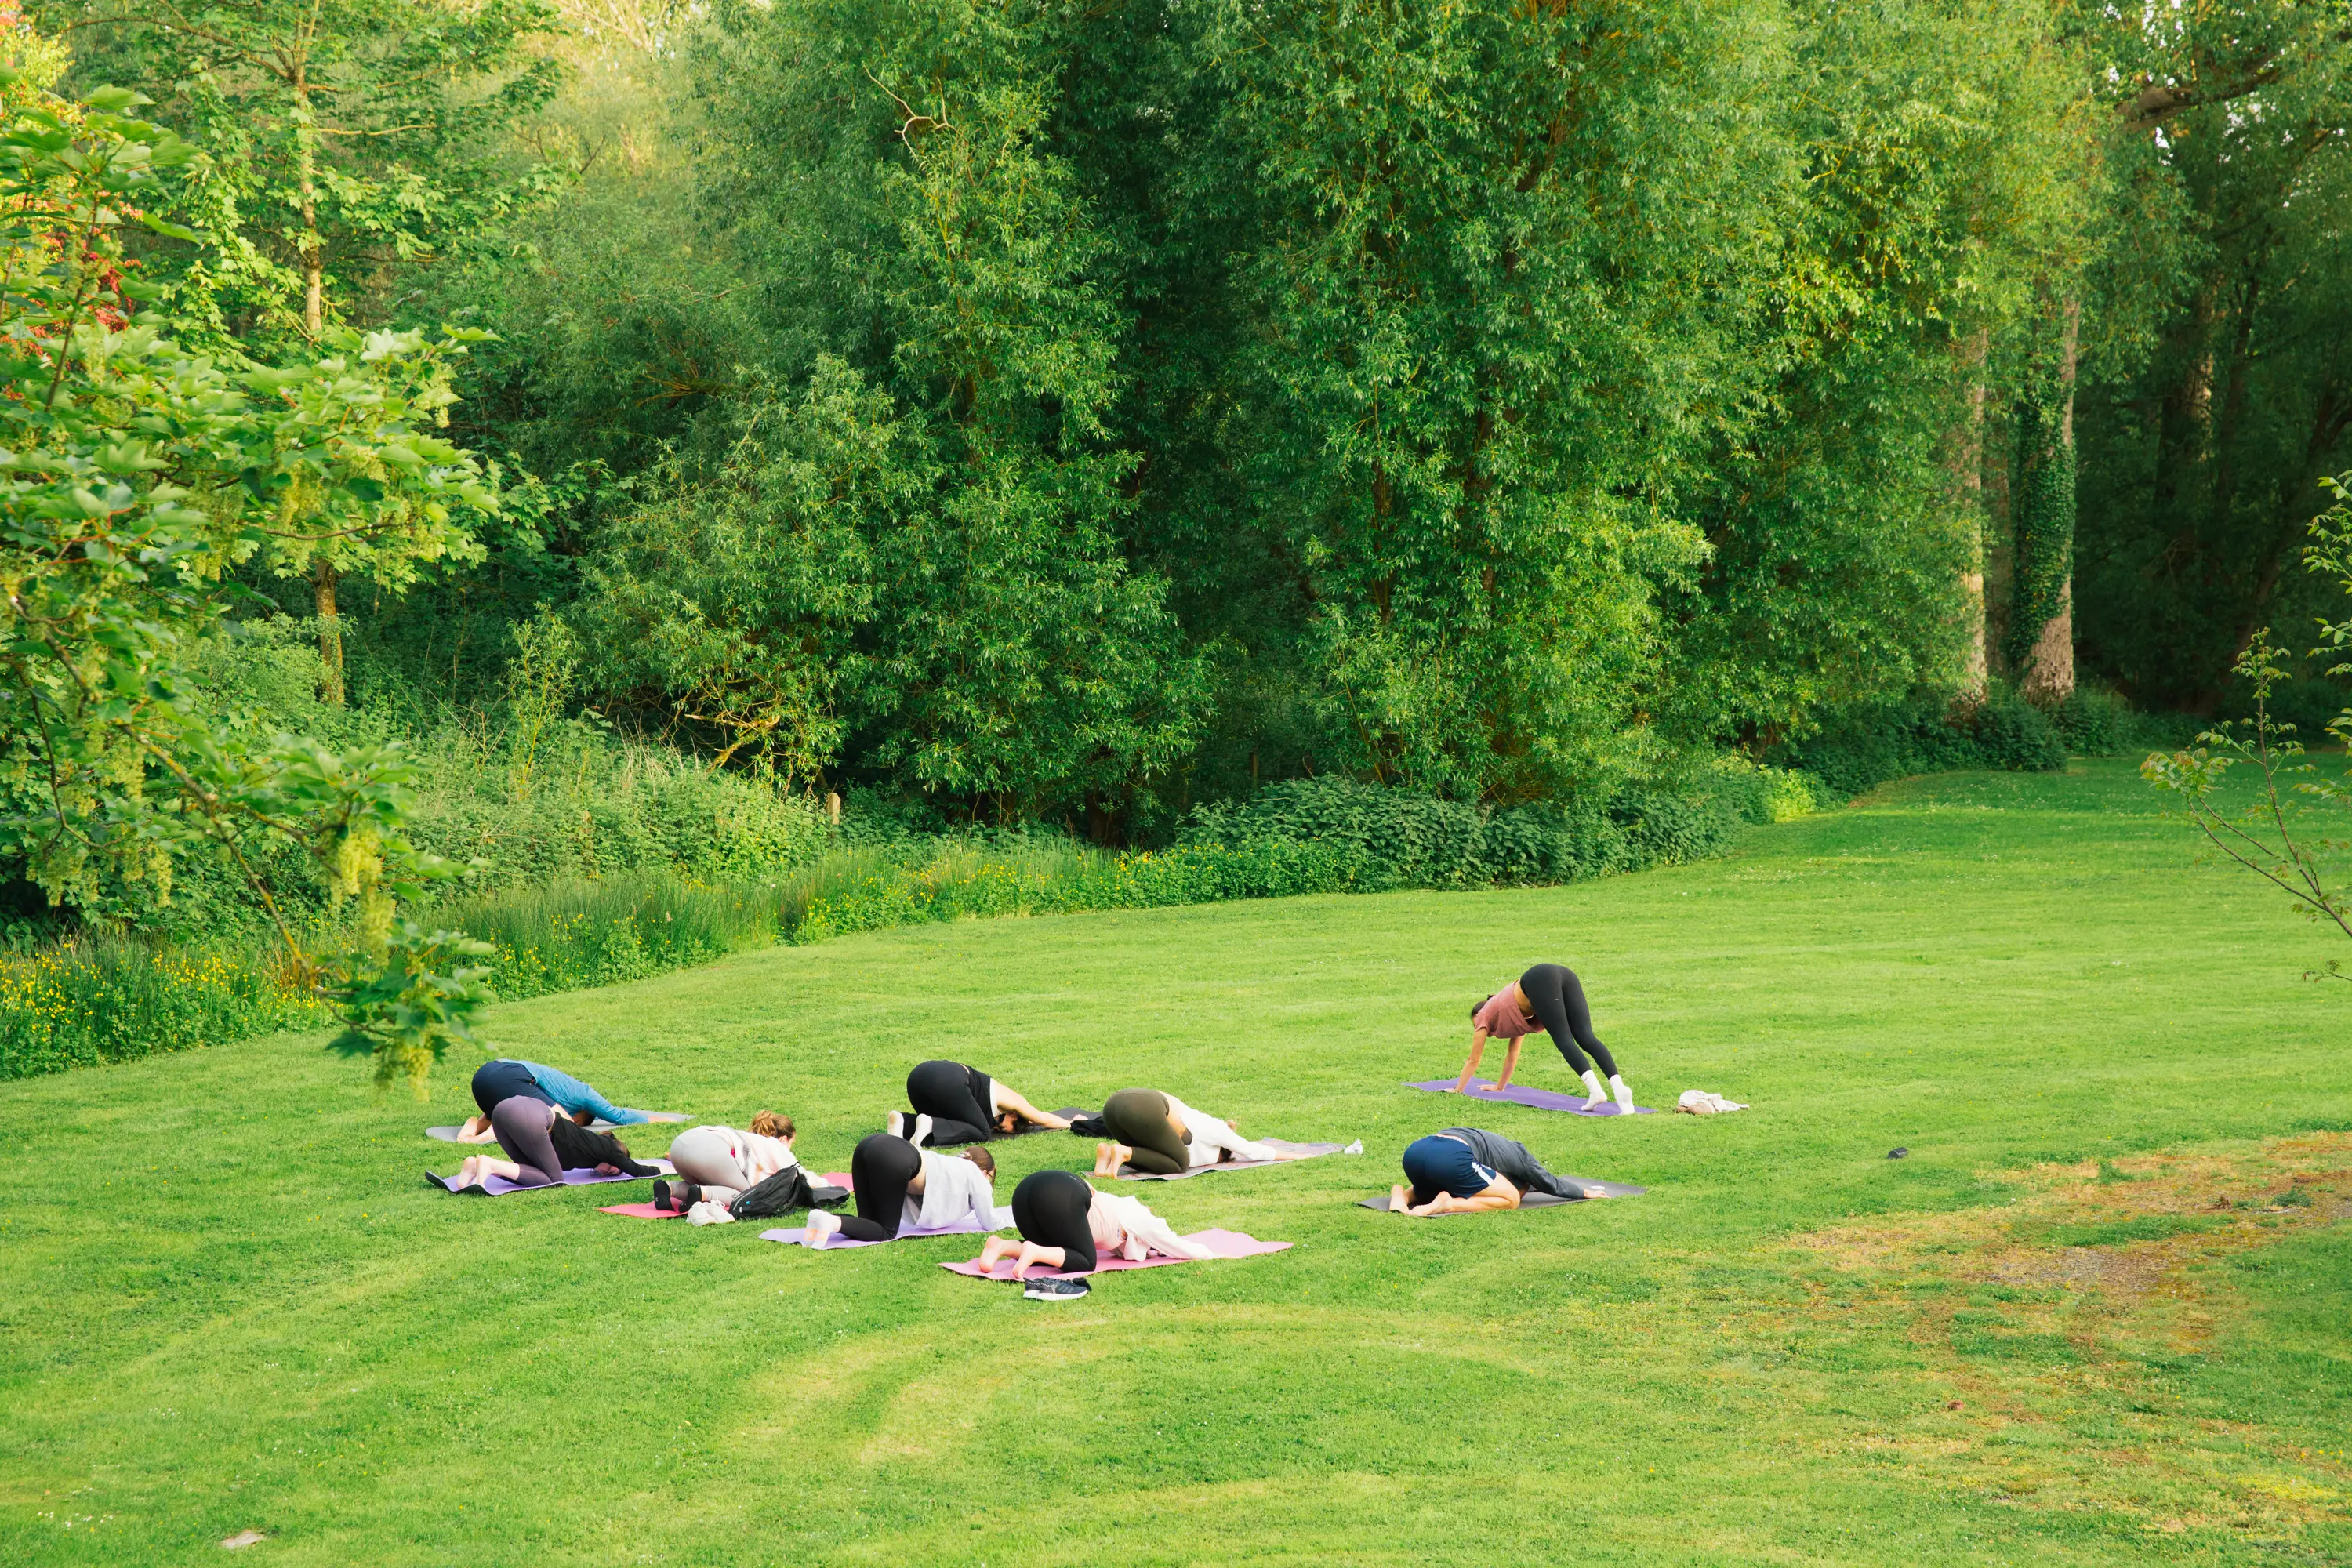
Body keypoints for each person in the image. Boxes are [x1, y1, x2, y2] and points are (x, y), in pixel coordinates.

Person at [1454, 963, 1635, 1112]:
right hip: (1564, 974)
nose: (1481, 1028)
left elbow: (1473, 1059)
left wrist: (1457, 1090)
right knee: (1585, 1036)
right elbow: (1513, 1055)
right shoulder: (1510, 1015)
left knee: (1564, 1040)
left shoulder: (1485, 1015)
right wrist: (1500, 1087)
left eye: (1477, 1024)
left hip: (1539, 978)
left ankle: (1596, 1091)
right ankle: (1620, 1089)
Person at [971, 1169, 1213, 1279]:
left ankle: (1001, 1246)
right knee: (1085, 1261)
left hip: (1027, 1193)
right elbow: (1174, 1243)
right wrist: (1210, 1252)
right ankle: (1031, 1250)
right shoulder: (1142, 1219)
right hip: (1058, 1194)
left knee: (1056, 1250)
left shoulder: (1117, 1216)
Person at [801, 1135, 1005, 1247]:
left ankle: (823, 1219)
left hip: (867, 1145)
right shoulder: (975, 1174)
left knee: (869, 1225)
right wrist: (1005, 1221)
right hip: (895, 1155)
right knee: (886, 1232)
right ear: (985, 1171)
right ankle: (831, 1222)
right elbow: (989, 1221)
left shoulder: (950, 1165)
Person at [445, 1096, 662, 1189]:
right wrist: (661, 1167)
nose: (610, 1172)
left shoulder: (584, 1151)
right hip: (529, 1114)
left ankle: (475, 1165)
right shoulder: (607, 1147)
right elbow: (636, 1169)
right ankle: (489, 1164)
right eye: (614, 1171)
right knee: (554, 1179)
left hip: (504, 1111)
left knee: (529, 1173)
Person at [1089, 1087, 1301, 1177]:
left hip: (1113, 1107)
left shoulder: (1200, 1121)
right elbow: (1253, 1151)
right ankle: (1123, 1154)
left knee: (1148, 1152)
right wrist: (1295, 1155)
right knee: (1181, 1164)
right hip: (1141, 1107)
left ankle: (1108, 1154)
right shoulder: (1218, 1130)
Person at [1385, 1127, 1595, 1216]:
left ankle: (1400, 1194)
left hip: (1416, 1152)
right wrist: (1582, 1192)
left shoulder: (1495, 1147)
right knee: (1512, 1199)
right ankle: (1446, 1204)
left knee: (1439, 1178)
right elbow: (1545, 1179)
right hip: (1451, 1156)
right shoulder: (1520, 1155)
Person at [455, 1058, 655, 1142]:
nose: (576, 1122)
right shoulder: (584, 1094)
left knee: (496, 1114)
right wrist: (662, 1120)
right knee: (558, 1123)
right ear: (583, 1114)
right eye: (580, 1122)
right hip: (510, 1076)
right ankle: (477, 1141)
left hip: (484, 1075)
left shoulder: (557, 1088)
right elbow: (617, 1116)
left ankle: (471, 1128)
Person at [886, 1059, 1073, 1147]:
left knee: (956, 1123)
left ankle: (903, 1121)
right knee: (982, 1133)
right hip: (946, 1081)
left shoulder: (991, 1106)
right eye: (1004, 1127)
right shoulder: (1015, 1102)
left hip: (918, 1078)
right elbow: (1042, 1119)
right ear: (1014, 1116)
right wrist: (1073, 1124)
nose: (997, 1128)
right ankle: (931, 1124)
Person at [654, 1112, 797, 1213]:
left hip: (679, 1146)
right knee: (746, 1195)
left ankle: (668, 1188)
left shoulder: (745, 1137)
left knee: (717, 1183)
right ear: (783, 1139)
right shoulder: (772, 1146)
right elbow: (794, 1173)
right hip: (705, 1152)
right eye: (792, 1143)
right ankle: (701, 1194)